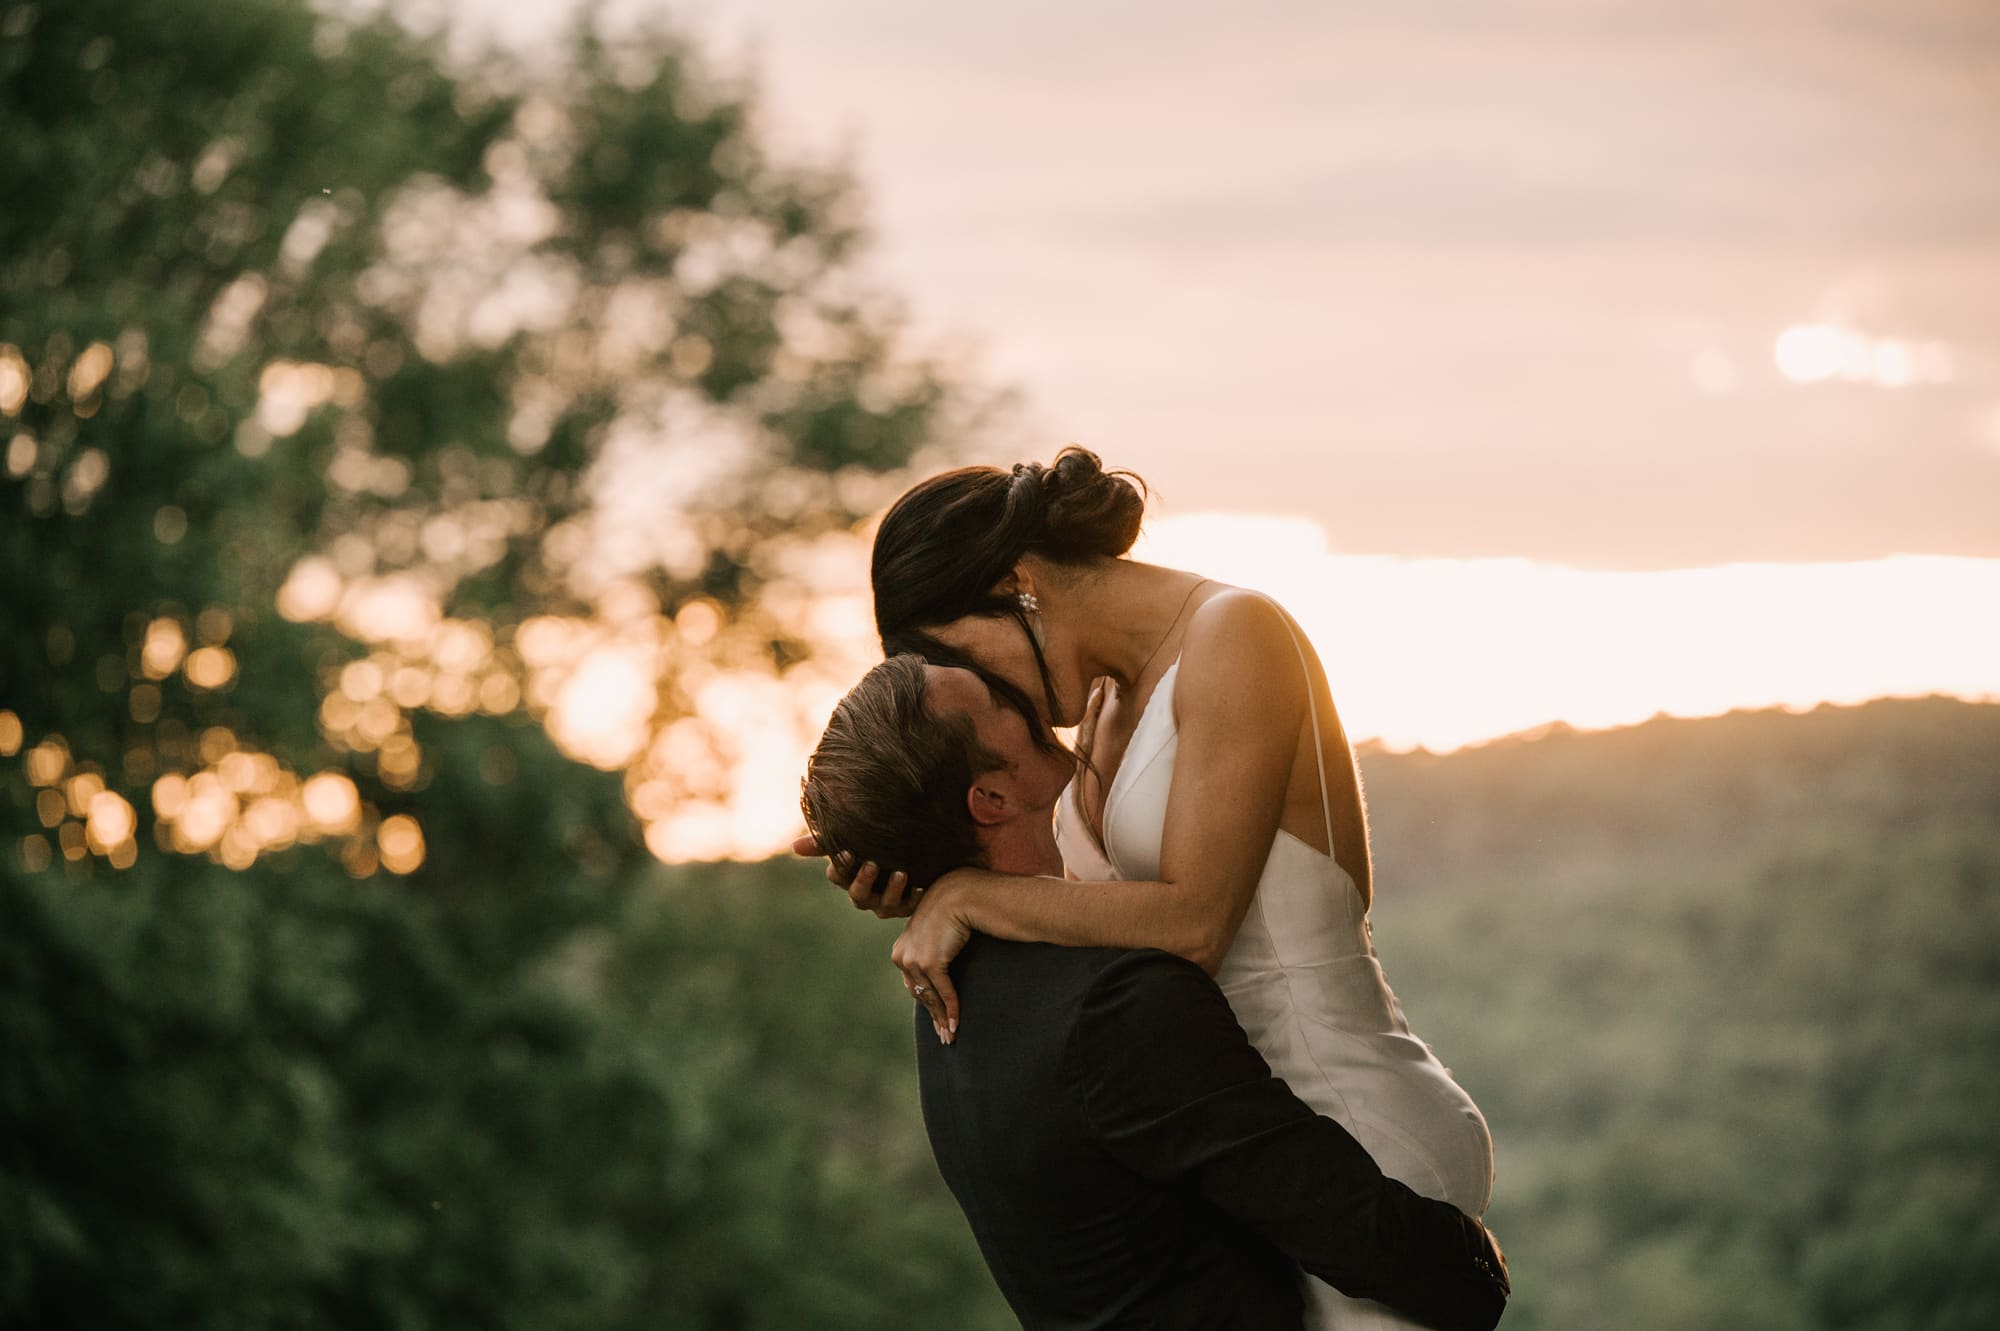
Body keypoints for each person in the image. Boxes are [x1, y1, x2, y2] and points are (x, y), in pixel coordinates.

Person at [816, 447, 1497, 1330]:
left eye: (958, 661)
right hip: (1258, 1157)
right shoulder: (1100, 701)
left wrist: (970, 895)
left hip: (1354, 1135)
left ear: (1018, 584)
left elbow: (1193, 923)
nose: (987, 693)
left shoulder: (1237, 634)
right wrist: (901, 861)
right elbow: (1058, 890)